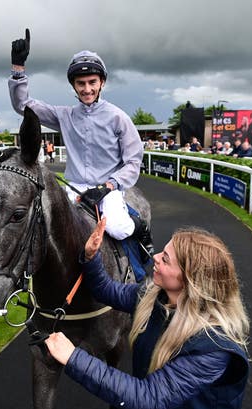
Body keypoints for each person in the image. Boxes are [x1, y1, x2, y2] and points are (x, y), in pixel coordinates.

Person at [45, 218, 250, 409]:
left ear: (190, 279)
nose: (155, 257)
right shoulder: (154, 298)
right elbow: (105, 289)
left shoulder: (212, 348)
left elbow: (148, 400)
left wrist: (73, 357)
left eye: (166, 259)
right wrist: (91, 256)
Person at [8, 29, 153, 257]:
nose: (87, 89)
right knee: (42, 228)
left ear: (102, 82)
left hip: (108, 188)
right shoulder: (64, 115)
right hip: (74, 187)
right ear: (73, 86)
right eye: (81, 83)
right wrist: (18, 70)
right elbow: (22, 105)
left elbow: (133, 162)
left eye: (92, 82)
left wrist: (109, 186)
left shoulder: (119, 118)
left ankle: (140, 227)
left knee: (117, 228)